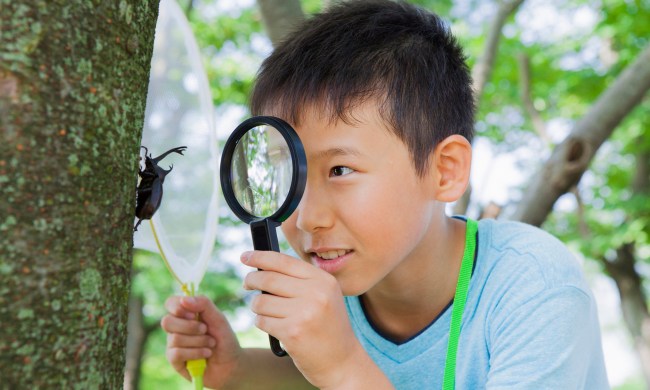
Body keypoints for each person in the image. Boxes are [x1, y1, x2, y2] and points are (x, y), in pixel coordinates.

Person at [161, 1, 609, 388]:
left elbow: (345, 370)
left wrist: (342, 369)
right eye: (288, 176)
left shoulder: (534, 287)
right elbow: (321, 375)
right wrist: (236, 369)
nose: (306, 217)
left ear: (444, 170)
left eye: (340, 169)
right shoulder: (350, 283)